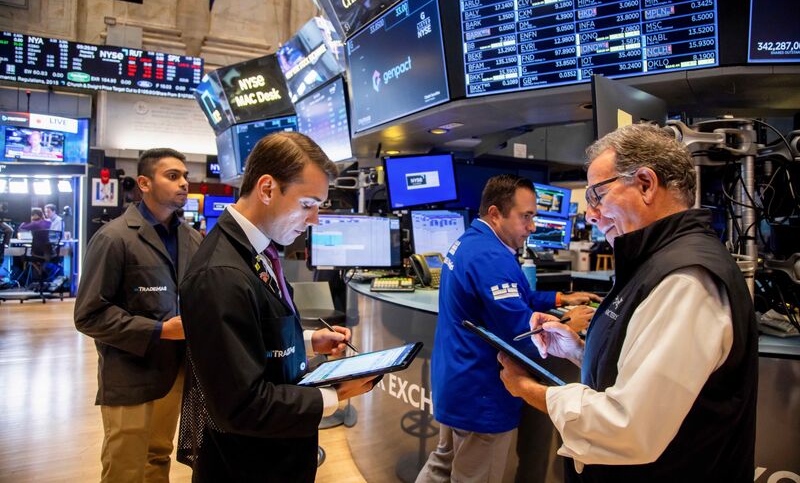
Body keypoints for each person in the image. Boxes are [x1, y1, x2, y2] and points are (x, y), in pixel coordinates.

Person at [498, 124, 758, 482]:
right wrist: (579, 351)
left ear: (646, 184)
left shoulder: (685, 280)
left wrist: (530, 391)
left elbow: (629, 425)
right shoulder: (656, 261)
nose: (589, 214)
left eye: (596, 195)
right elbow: (639, 365)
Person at [177, 132, 376, 482]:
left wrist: (307, 339)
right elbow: (241, 406)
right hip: (247, 467)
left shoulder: (256, 250)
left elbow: (251, 331)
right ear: (267, 189)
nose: (314, 219)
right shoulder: (220, 273)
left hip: (275, 456)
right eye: (307, 204)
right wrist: (336, 393)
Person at [416, 175, 600, 483]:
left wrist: (559, 298)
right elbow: (521, 337)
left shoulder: (471, 242)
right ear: (495, 213)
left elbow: (515, 297)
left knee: (443, 465)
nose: (531, 226)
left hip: (457, 382)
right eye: (526, 217)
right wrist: (569, 323)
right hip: (483, 392)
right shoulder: (492, 256)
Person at [74, 148, 203, 482]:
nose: (184, 183)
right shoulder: (114, 238)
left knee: (158, 456)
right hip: (130, 373)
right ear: (144, 183)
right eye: (173, 176)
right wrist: (160, 330)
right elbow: (89, 315)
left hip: (173, 372)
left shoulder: (192, 239)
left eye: (185, 176)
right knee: (125, 465)